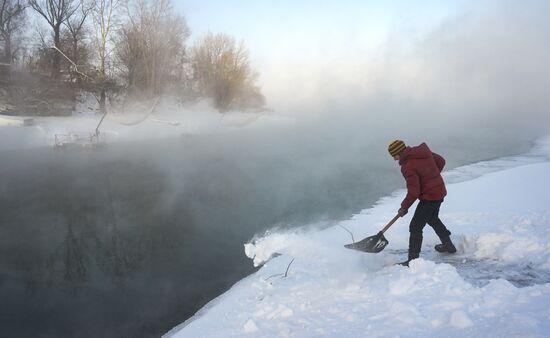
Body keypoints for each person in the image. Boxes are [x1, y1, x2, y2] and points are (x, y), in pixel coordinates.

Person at [388, 140, 456, 267]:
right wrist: (432, 177)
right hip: (439, 190)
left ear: (399, 152)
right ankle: (448, 245)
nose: (394, 159)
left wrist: (404, 207)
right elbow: (441, 161)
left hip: (429, 197)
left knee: (415, 227)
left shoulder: (408, 166)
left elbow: (414, 191)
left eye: (394, 155)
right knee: (432, 219)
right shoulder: (422, 152)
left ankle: (412, 261)